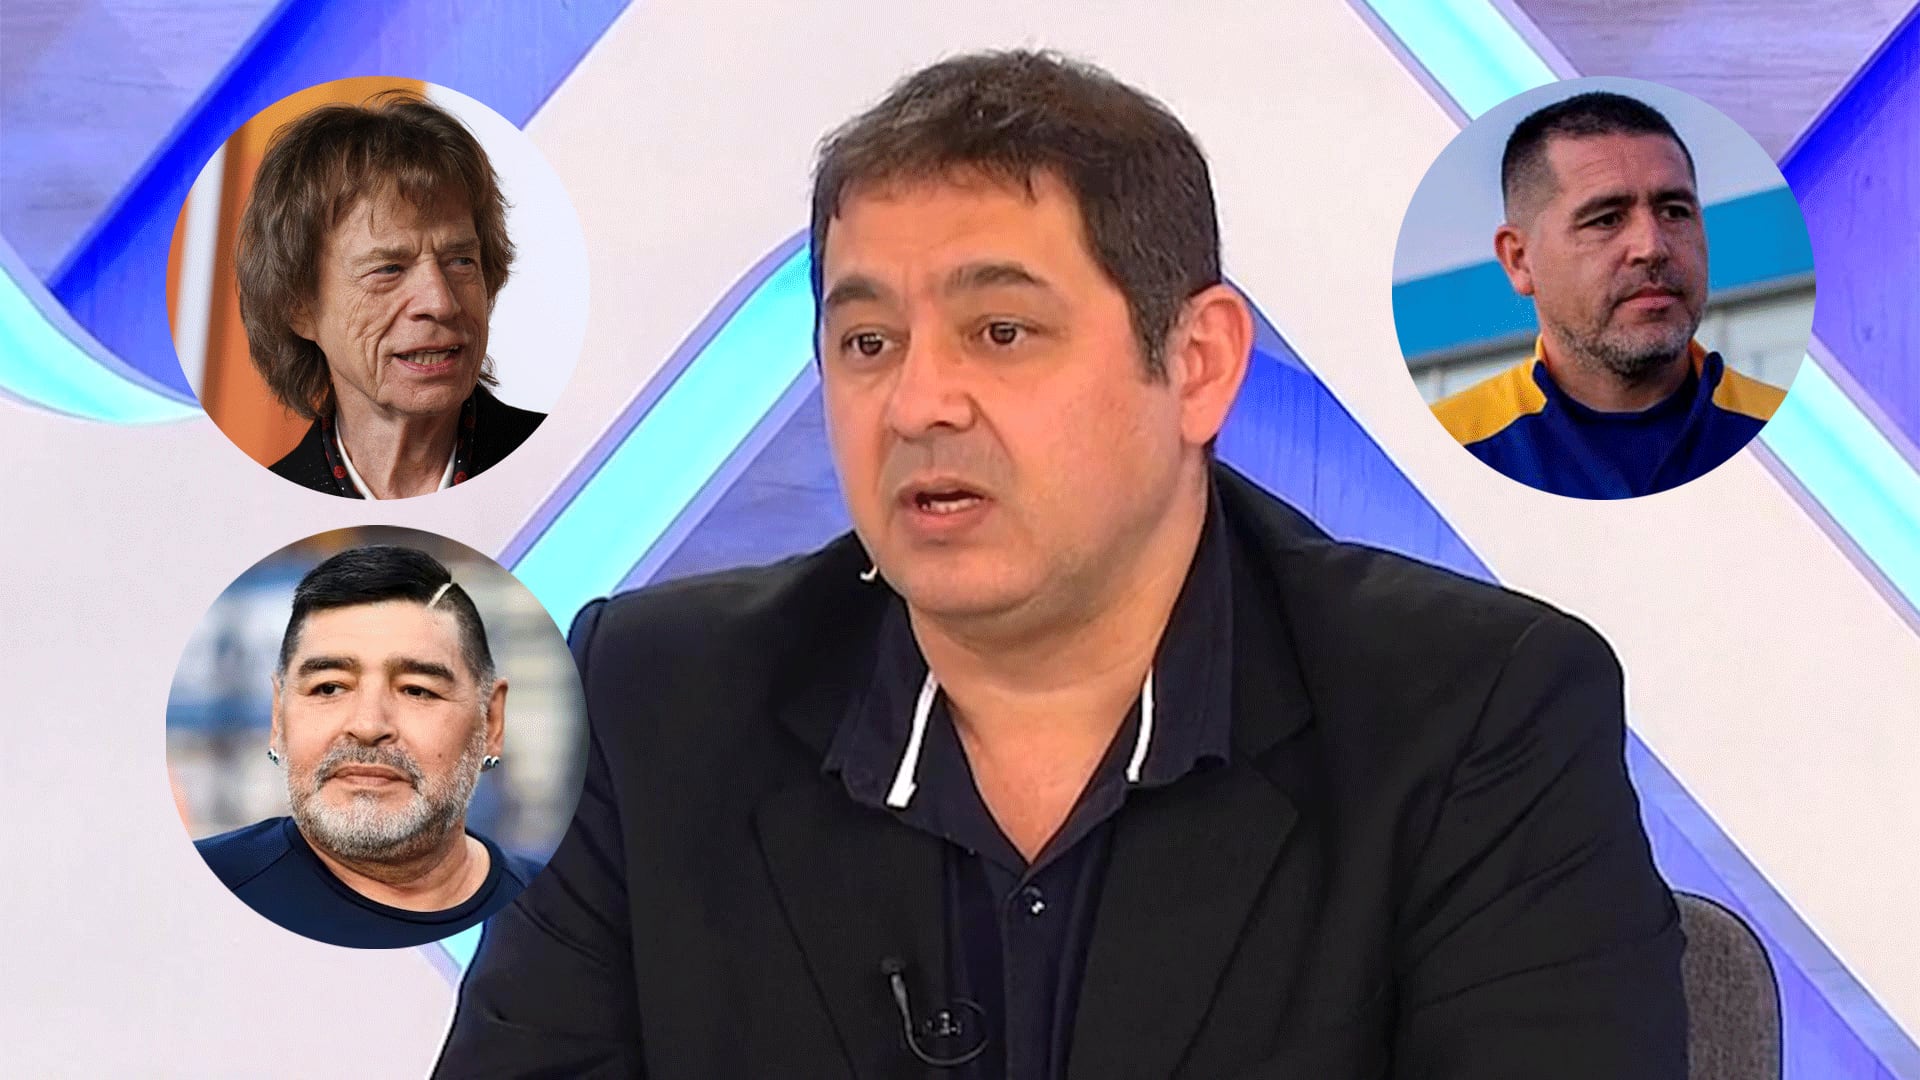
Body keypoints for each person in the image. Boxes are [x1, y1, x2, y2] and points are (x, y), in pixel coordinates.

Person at [437, 52, 1686, 1076]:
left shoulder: (1474, 714)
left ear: (1197, 364)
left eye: (1001, 330)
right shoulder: (649, 698)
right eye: (867, 341)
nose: (918, 402)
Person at [1431, 91, 1786, 499]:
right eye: (1606, 219)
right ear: (1519, 260)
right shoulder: (1443, 453)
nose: (1652, 247)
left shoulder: (1788, 446)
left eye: (1674, 211)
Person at [196, 545, 539, 948]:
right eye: (329, 687)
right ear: (278, 718)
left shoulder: (561, 917)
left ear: (491, 722)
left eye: (417, 690)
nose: (368, 726)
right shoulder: (195, 893)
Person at [234, 91, 544, 499]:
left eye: (460, 261)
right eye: (389, 269)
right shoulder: (258, 510)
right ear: (298, 306)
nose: (441, 303)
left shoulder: (577, 469)